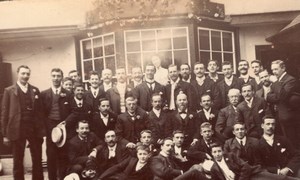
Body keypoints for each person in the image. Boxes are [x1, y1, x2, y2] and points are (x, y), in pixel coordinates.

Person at [1, 65, 44, 180]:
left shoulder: (34, 90)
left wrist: (41, 131)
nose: (25, 76)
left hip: (34, 129)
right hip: (17, 129)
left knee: (37, 158)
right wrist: (5, 134)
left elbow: (40, 113)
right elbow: (4, 114)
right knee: (18, 159)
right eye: (23, 73)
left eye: (27, 74)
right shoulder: (9, 91)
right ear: (18, 73)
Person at [40, 68, 71, 180]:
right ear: (51, 77)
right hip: (50, 128)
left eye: (58, 76)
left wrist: (65, 123)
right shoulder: (44, 94)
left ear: (61, 77)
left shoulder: (68, 93)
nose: (56, 78)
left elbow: (72, 112)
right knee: (51, 155)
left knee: (63, 155)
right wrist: (45, 128)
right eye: (53, 76)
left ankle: (63, 178)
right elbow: (41, 113)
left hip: (63, 128)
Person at [210, 142, 295, 180]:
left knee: (277, 178)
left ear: (222, 151)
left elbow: (245, 166)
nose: (217, 154)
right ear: (212, 154)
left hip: (250, 175)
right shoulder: (213, 168)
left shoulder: (231, 156)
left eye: (219, 151)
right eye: (215, 152)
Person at [267, 60, 300, 149]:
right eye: (272, 70)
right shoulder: (278, 80)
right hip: (279, 116)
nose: (274, 72)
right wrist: (279, 97)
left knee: (292, 142)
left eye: (276, 69)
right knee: (284, 142)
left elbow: (282, 96)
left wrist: (275, 83)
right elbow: (268, 96)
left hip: (288, 118)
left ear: (283, 68)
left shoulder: (290, 80)